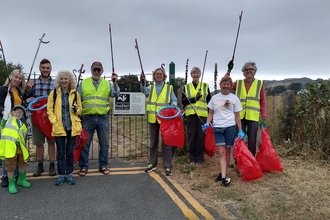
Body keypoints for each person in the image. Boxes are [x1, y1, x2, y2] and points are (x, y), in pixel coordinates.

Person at [77, 61, 120, 177]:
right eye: (95, 69)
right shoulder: (83, 83)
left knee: (104, 143)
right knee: (85, 143)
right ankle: (83, 166)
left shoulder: (107, 83)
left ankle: (103, 165)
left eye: (99, 70)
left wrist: (115, 82)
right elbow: (78, 99)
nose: (96, 72)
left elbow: (116, 94)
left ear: (102, 71)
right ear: (91, 70)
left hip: (103, 118)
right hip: (87, 118)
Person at [204, 76, 243, 186]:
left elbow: (237, 116)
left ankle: (223, 173)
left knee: (227, 152)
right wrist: (208, 123)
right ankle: (224, 177)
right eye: (224, 84)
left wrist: (240, 130)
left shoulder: (234, 99)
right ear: (221, 85)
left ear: (231, 86)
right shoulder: (214, 98)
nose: (225, 86)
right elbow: (210, 113)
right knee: (221, 152)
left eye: (228, 84)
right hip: (218, 128)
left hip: (230, 128)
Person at [140, 67, 178, 176]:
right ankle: (152, 163)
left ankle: (167, 165)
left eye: (160, 74)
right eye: (157, 74)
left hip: (165, 119)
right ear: (154, 76)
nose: (159, 75)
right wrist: (142, 81)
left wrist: (173, 106)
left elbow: (174, 100)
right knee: (153, 143)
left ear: (164, 75)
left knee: (166, 143)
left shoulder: (169, 88)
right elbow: (143, 91)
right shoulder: (150, 87)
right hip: (153, 119)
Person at [47, 71, 82, 186]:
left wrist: (76, 109)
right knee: (61, 153)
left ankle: (70, 174)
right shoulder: (54, 93)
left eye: (66, 79)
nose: (63, 81)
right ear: (58, 80)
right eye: (61, 79)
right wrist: (54, 121)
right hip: (59, 127)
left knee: (69, 152)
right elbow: (49, 110)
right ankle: (61, 175)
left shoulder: (75, 94)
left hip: (72, 127)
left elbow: (79, 111)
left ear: (70, 80)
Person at [24, 58, 56, 177]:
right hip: (37, 117)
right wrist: (27, 90)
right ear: (40, 68)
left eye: (48, 68)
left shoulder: (55, 83)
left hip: (50, 117)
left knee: (52, 142)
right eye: (43, 68)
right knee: (39, 143)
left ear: (51, 69)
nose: (45, 70)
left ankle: (52, 165)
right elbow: (26, 99)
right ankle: (40, 166)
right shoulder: (33, 83)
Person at [0, 85, 31, 194]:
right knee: (10, 167)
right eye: (16, 111)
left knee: (22, 164)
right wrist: (8, 96)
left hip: (20, 148)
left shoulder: (22, 125)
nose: (18, 113)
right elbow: (7, 107)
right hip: (10, 149)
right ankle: (11, 183)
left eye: (20, 112)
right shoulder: (7, 120)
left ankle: (21, 180)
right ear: (12, 113)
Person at [232, 61, 267, 156]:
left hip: (253, 117)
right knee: (240, 140)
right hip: (240, 117)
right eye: (246, 70)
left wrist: (263, 117)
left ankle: (251, 163)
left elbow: (263, 102)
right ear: (243, 72)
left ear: (255, 71)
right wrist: (229, 70)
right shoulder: (238, 83)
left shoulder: (260, 84)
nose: (248, 71)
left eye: (251, 69)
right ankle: (239, 163)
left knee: (252, 141)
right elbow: (224, 83)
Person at [181, 67, 211, 166]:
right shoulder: (187, 87)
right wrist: (194, 99)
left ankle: (199, 158)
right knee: (192, 136)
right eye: (194, 72)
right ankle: (192, 158)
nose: (196, 74)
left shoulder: (205, 86)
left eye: (197, 72)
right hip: (191, 115)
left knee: (201, 137)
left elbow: (210, 102)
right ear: (191, 74)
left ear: (200, 74)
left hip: (202, 116)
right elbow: (183, 101)